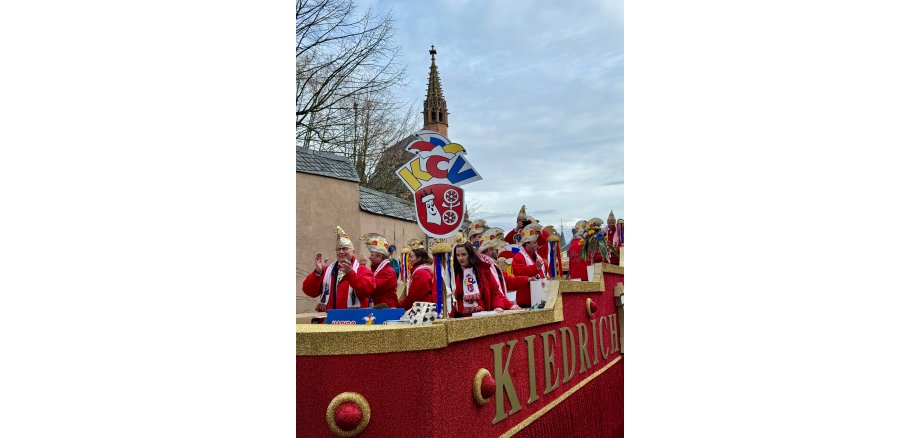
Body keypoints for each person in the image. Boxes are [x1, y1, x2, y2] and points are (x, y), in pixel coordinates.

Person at [302, 226, 375, 311]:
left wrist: (351, 274)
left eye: (344, 248)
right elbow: (309, 292)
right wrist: (317, 273)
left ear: (353, 252)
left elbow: (368, 290)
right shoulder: (326, 270)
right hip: (330, 320)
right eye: (338, 249)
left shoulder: (363, 270)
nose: (341, 252)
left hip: (353, 320)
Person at [452, 241, 517, 317]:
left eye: (464, 254)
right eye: (458, 255)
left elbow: (495, 292)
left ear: (470, 254)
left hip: (482, 315)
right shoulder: (454, 273)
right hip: (461, 316)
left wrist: (506, 306)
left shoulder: (483, 270)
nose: (460, 258)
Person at [479, 228, 529, 301]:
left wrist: (527, 279)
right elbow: (495, 292)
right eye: (496, 250)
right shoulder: (485, 267)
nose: (498, 252)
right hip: (493, 308)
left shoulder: (492, 266)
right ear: (489, 250)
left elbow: (507, 280)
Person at [511, 223, 549, 307]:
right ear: (527, 244)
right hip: (526, 299)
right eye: (534, 242)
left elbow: (544, 269)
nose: (537, 244)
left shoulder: (536, 255)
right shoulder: (518, 256)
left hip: (541, 294)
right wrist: (536, 267)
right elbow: (519, 273)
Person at [362, 233, 400, 308]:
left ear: (379, 257)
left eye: (372, 255)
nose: (369, 257)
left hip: (387, 310)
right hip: (379, 309)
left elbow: (373, 287)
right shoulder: (377, 270)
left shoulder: (388, 272)